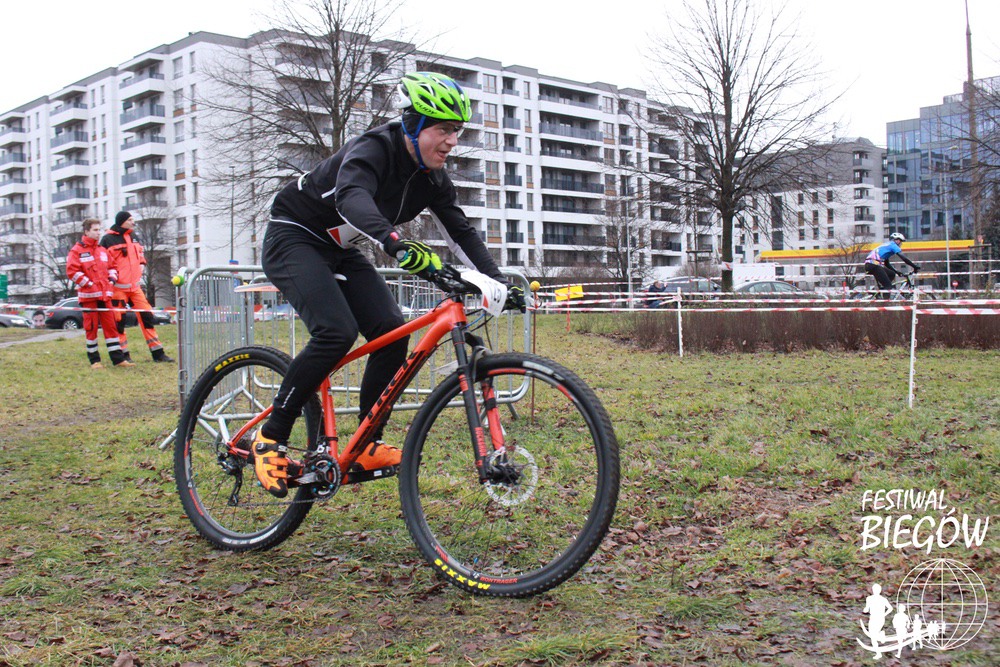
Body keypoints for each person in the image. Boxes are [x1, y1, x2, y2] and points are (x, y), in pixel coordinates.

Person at [252, 71, 524, 498]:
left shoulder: (433, 177)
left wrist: (500, 282)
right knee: (336, 332)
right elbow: (351, 197)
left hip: (339, 248)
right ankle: (270, 435)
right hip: (294, 235)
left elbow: (461, 232)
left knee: (391, 333)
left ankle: (366, 443)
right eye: (442, 129)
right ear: (413, 126)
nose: (452, 141)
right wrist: (395, 242)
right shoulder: (373, 149)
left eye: (457, 130)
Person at [100, 210, 174, 363]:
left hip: (135, 288)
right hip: (118, 288)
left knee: (147, 317)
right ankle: (124, 355)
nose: (133, 223)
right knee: (119, 322)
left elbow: (140, 256)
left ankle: (158, 353)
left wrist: (141, 267)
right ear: (122, 221)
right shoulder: (107, 239)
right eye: (130, 220)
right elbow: (102, 263)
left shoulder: (133, 237)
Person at [65, 218, 130, 368]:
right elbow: (72, 271)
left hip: (105, 297)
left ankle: (118, 359)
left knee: (111, 327)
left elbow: (113, 268)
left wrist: (111, 281)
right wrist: (89, 284)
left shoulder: (102, 250)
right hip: (89, 298)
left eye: (99, 230)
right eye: (95, 230)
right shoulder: (77, 250)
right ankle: (94, 360)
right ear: (86, 231)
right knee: (91, 328)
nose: (98, 233)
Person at [864, 232, 920, 299]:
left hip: (871, 265)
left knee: (891, 274)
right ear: (897, 240)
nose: (901, 244)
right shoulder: (893, 245)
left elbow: (887, 264)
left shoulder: (887, 245)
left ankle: (879, 290)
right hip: (873, 265)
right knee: (888, 286)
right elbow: (904, 258)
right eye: (900, 241)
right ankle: (885, 303)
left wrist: (896, 272)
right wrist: (914, 266)